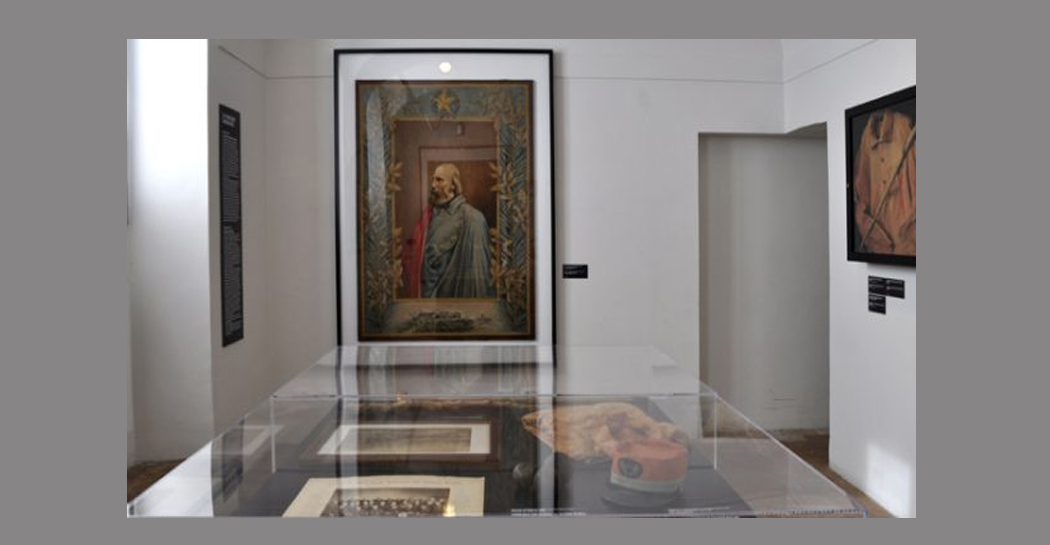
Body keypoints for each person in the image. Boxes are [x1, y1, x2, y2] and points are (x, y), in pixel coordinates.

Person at [405, 163, 495, 298]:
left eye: (439, 180)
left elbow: (478, 282)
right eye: (433, 179)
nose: (433, 185)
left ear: (453, 185)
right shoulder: (428, 216)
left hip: (456, 303)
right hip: (426, 303)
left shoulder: (472, 218)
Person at [853, 108, 916, 256]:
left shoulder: (904, 126)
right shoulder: (867, 138)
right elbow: (860, 192)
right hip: (879, 247)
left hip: (908, 242)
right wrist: (875, 237)